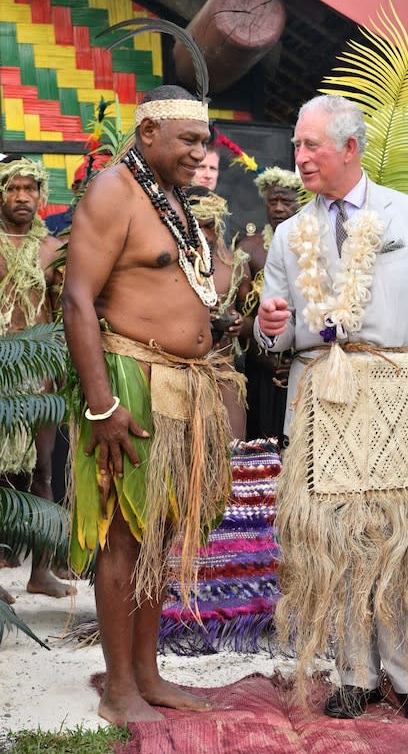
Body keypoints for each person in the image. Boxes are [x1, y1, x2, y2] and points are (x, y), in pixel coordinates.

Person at [255, 94, 408, 721]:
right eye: (296, 145)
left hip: (397, 389)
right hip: (320, 395)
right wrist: (270, 327)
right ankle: (354, 673)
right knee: (334, 541)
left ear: (350, 147)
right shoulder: (291, 234)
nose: (299, 157)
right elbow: (277, 335)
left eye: (310, 145)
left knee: (400, 537)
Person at [62, 84, 238, 725]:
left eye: (205, 140)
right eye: (189, 139)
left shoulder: (175, 204)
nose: (201, 151)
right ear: (148, 134)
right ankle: (118, 690)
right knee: (121, 538)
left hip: (179, 390)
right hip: (129, 384)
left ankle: (145, 674)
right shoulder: (114, 190)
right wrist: (102, 406)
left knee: (157, 535)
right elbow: (77, 299)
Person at [0, 156, 73, 603]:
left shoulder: (52, 248)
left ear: (42, 195)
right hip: (1, 371)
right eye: (13, 188)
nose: (22, 196)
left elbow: (65, 313)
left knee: (43, 471)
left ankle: (40, 571)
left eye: (30, 189)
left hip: (41, 378)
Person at [238, 167, 302, 445]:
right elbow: (240, 315)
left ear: (300, 202)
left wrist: (298, 362)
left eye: (286, 201)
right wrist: (266, 362)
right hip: (260, 365)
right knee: (262, 443)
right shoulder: (249, 249)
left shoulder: (312, 245)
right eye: (273, 201)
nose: (278, 208)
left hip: (303, 363)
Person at [185, 185, 250, 439]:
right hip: (182, 374)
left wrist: (240, 324)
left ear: (219, 223)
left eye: (209, 225)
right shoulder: (170, 266)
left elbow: (256, 325)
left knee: (232, 456)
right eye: (196, 226)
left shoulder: (235, 264)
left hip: (225, 371)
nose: (203, 234)